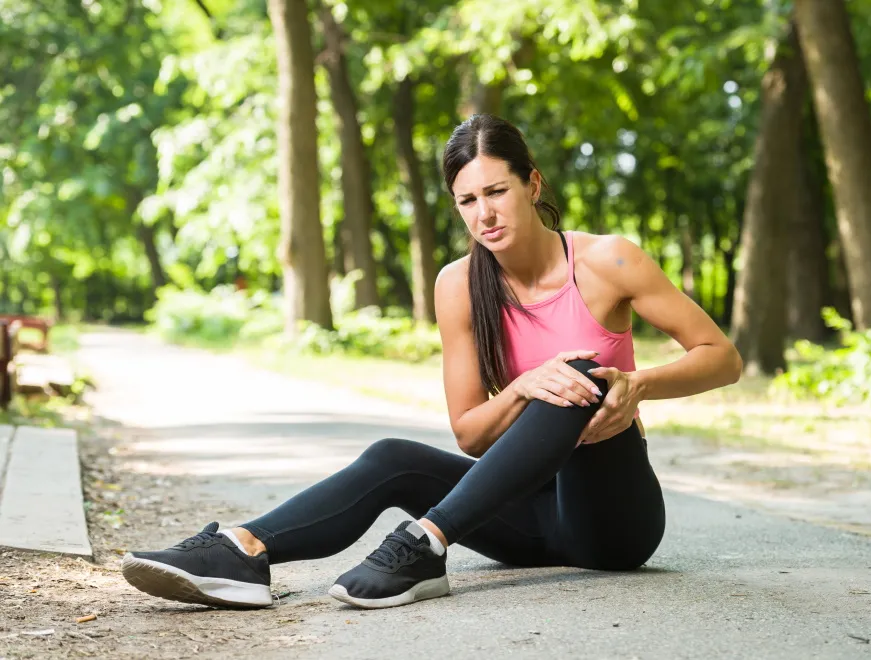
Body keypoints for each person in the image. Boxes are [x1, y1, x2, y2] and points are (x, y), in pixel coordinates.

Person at [120, 114, 743, 610]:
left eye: (497, 191)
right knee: (394, 457)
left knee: (576, 374)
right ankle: (243, 549)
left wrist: (635, 385)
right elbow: (471, 433)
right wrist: (523, 386)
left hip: (613, 520)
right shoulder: (458, 284)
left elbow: (722, 358)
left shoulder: (608, 261)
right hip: (527, 520)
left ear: (533, 184)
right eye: (467, 200)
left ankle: (426, 543)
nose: (485, 214)